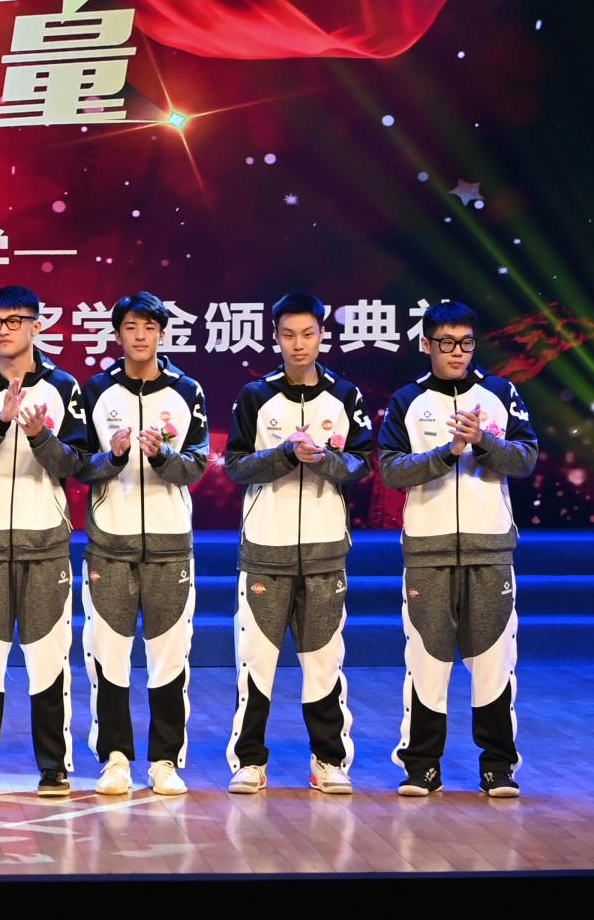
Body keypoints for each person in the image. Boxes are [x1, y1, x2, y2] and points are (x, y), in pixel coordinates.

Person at [378, 300, 536, 798]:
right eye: (446, 343)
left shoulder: (500, 393)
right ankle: (422, 765)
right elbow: (391, 469)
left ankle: (498, 767)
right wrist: (446, 453)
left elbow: (525, 459)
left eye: (466, 342)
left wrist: (483, 441)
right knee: (427, 662)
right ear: (426, 344)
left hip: (491, 551)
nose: (457, 352)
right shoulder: (408, 400)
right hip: (427, 552)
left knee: (493, 661)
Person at [223, 292, 373, 795]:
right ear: (276, 337)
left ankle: (328, 760)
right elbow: (236, 466)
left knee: (324, 663)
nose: (299, 344)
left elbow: (363, 464)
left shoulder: (345, 395)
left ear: (322, 335)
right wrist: (286, 454)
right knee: (257, 663)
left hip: (326, 552)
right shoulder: (254, 395)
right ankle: (250, 761)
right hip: (265, 550)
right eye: (288, 335)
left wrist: (325, 458)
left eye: (308, 334)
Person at [0, 285, 88, 798]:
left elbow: (78, 463)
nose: (4, 330)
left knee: (48, 658)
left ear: (36, 325)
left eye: (14, 321)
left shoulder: (63, 386)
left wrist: (38, 435)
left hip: (45, 542)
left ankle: (53, 766)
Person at [75, 292, 210, 796]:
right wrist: (111, 458)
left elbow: (197, 465)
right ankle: (114, 758)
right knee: (108, 656)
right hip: (109, 545)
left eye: (149, 327)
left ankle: (164, 761)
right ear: (117, 334)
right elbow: (78, 465)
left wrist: (162, 457)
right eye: (130, 327)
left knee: (169, 659)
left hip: (171, 546)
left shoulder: (187, 390)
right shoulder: (95, 390)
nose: (140, 336)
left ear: (161, 334)